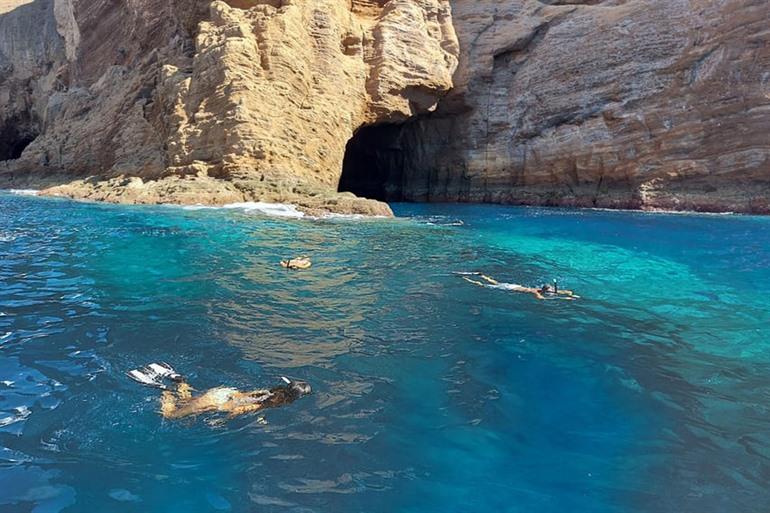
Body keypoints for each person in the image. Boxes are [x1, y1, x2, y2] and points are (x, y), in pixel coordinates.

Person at [128, 363, 312, 420]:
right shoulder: (275, 403)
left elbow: (249, 398)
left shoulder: (273, 391)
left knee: (187, 402)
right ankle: (163, 389)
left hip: (224, 392)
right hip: (217, 403)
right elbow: (241, 409)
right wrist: (223, 420)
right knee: (170, 415)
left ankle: (180, 381)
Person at [461, 273, 579, 300]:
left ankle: (482, 275)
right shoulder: (535, 292)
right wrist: (563, 299)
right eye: (549, 291)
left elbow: (566, 291)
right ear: (544, 290)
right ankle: (468, 279)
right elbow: (541, 299)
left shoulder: (549, 290)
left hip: (515, 285)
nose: (551, 291)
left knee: (496, 282)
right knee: (483, 286)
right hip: (510, 288)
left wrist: (570, 294)